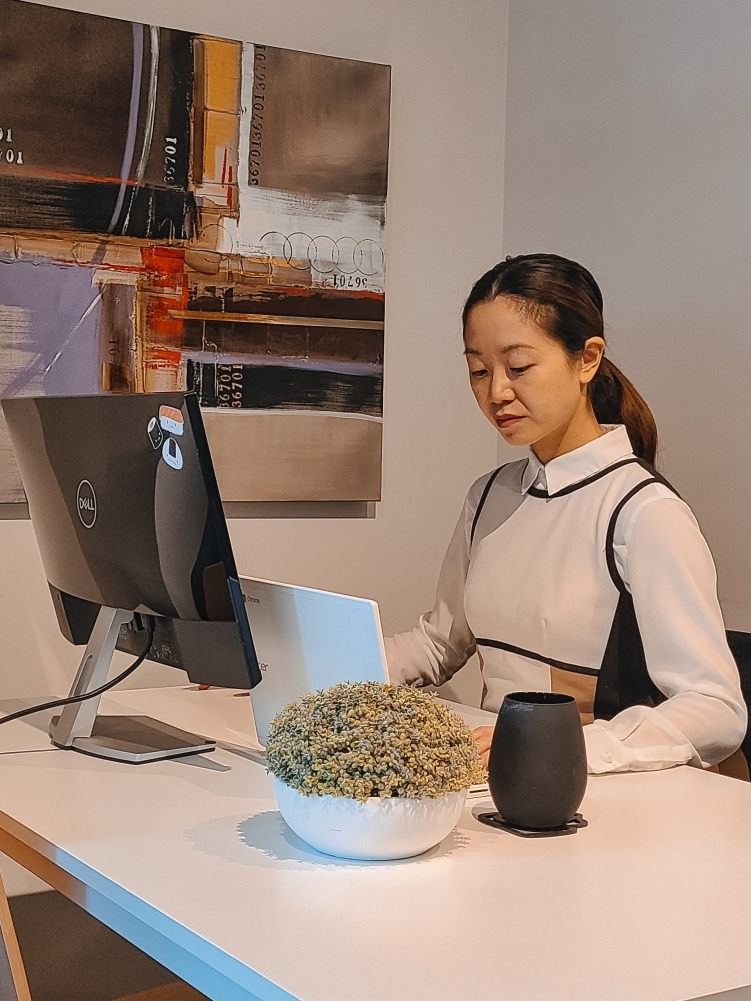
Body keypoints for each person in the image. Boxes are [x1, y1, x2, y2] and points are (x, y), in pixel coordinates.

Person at [385, 253, 747, 776]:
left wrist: (572, 746)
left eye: (519, 367)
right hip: (496, 785)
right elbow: (440, 643)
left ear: (587, 359)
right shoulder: (488, 496)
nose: (496, 392)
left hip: (598, 797)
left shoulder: (643, 512)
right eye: (479, 370)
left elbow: (716, 709)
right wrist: (309, 665)